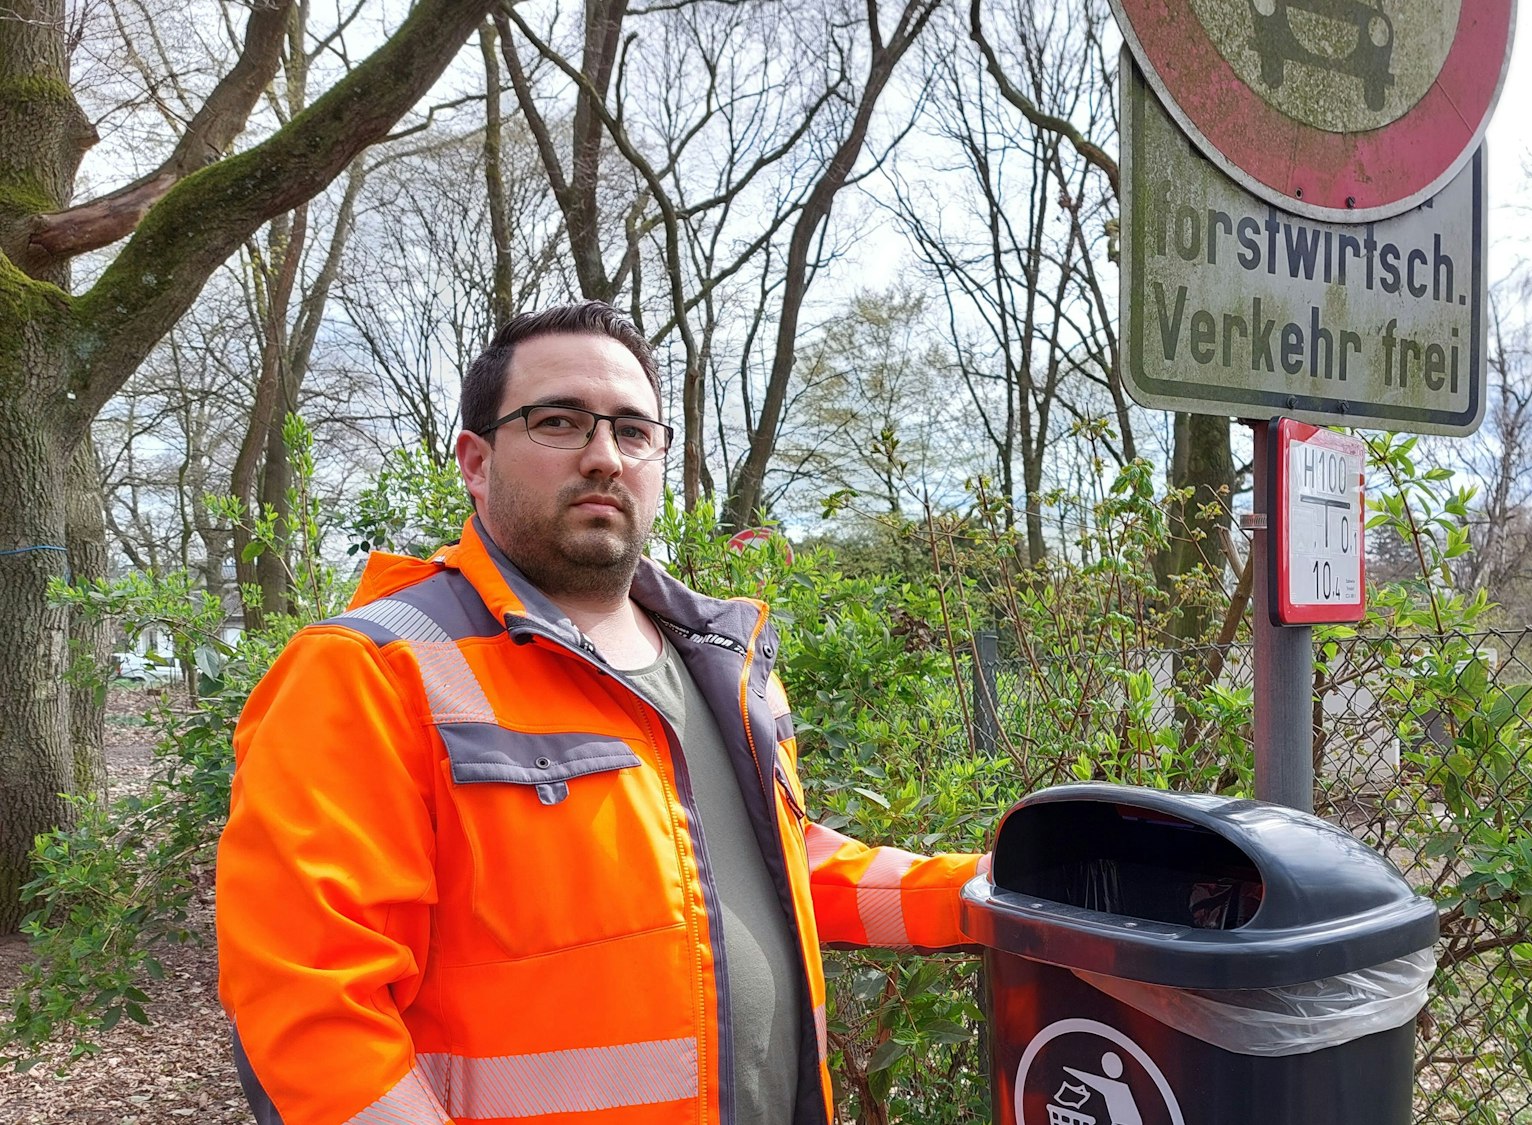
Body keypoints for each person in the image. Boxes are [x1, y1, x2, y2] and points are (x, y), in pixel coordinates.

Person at [215, 301, 987, 1125]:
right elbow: (307, 1016)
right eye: (558, 421)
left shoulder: (722, 660)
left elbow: (772, 861)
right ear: (475, 462)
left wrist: (985, 893)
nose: (603, 456)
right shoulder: (370, 672)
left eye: (632, 429)